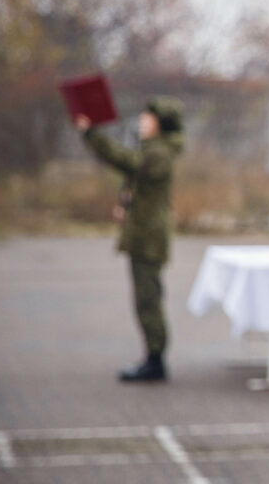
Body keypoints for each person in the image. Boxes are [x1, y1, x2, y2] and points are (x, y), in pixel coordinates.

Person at [74, 96, 185, 383]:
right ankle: (152, 356)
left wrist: (91, 134)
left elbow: (127, 162)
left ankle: (156, 360)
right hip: (143, 233)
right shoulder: (153, 149)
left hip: (149, 236)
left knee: (149, 299)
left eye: (147, 118)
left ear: (160, 123)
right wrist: (126, 203)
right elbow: (136, 179)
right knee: (144, 299)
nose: (141, 121)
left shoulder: (159, 152)